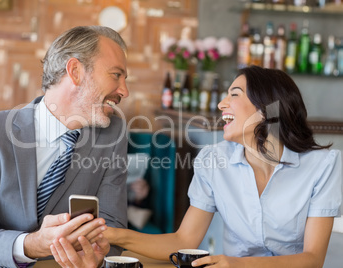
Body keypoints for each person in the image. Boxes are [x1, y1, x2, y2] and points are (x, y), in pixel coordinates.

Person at [103, 66, 341, 267]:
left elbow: (312, 259)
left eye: (234, 95)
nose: (221, 104)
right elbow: (183, 239)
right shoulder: (213, 161)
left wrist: (236, 264)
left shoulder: (322, 165)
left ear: (267, 108)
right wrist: (113, 234)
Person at [0, 25, 129, 267]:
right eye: (116, 75)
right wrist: (32, 244)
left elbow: (113, 229)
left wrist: (97, 254)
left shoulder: (113, 134)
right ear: (75, 71)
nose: (125, 90)